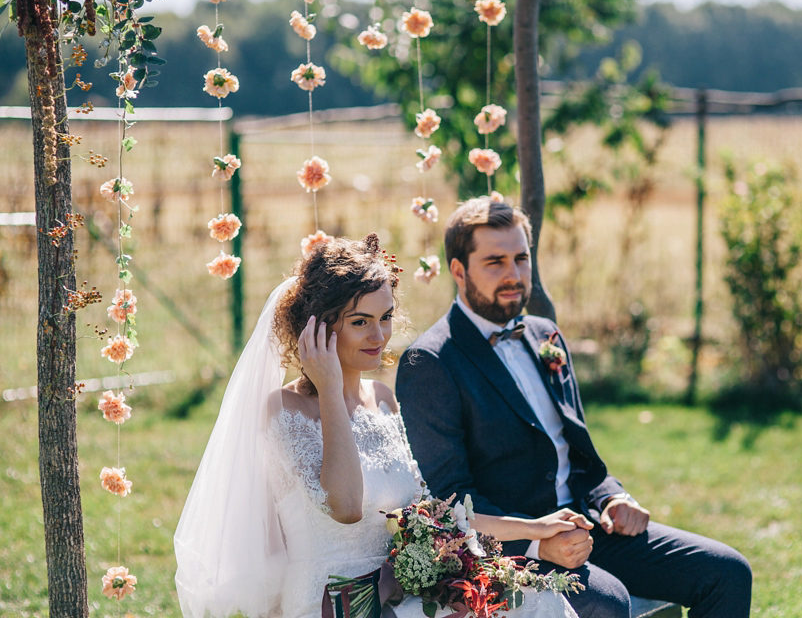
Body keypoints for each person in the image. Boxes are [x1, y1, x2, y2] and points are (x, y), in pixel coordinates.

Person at [174, 234, 581, 618]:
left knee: (537, 600)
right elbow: (347, 508)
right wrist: (330, 388)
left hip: (401, 595)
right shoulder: (282, 409)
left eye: (384, 317)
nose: (379, 335)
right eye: (359, 321)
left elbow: (429, 512)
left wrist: (536, 528)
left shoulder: (382, 400)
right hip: (333, 602)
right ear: (316, 328)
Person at [395, 198, 753, 618]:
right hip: (512, 547)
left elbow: (574, 453)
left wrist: (611, 497)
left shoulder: (545, 334)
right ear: (459, 271)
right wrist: (535, 542)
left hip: (588, 525)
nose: (513, 275)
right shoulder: (431, 362)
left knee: (728, 572)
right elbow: (450, 499)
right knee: (608, 601)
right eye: (495, 262)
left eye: (521, 258)